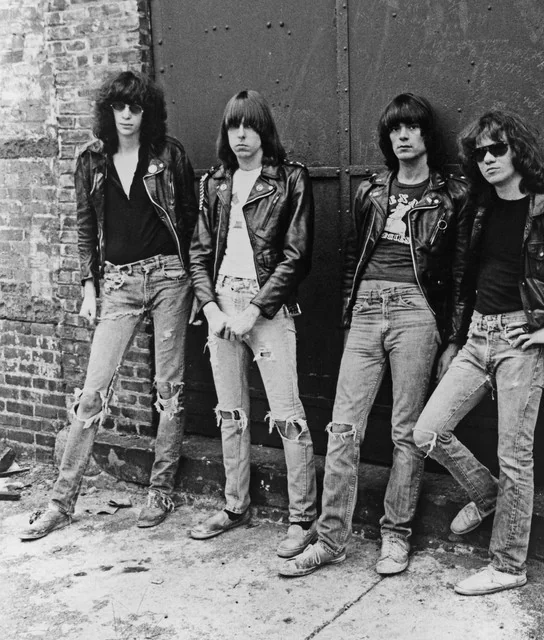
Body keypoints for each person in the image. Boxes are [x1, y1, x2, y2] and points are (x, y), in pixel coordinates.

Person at [412, 110, 544, 595]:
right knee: (427, 431)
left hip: (521, 344)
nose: (487, 159)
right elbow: (467, 280)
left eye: (496, 149)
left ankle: (507, 566)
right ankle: (488, 498)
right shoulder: (479, 207)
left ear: (517, 151)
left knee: (515, 457)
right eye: (479, 152)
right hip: (478, 337)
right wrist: (459, 337)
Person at [280, 93, 468, 577]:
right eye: (394, 129)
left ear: (426, 135)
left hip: (417, 313)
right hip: (366, 309)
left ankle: (396, 536)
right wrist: (350, 310)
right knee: (343, 428)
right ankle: (330, 539)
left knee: (406, 432)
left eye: (411, 128)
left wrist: (452, 337)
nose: (402, 136)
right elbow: (351, 256)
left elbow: (462, 270)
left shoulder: (451, 195)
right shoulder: (371, 191)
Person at [19, 70, 198, 540]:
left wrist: (198, 286)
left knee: (169, 390)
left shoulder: (169, 155)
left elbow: (191, 223)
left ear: (146, 112)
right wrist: (89, 287)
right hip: (117, 284)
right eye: (119, 107)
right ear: (108, 111)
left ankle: (160, 491)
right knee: (92, 392)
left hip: (168, 279)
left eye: (134, 108)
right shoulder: (90, 160)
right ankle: (61, 500)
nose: (126, 115)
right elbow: (84, 229)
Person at [188, 90, 317, 557]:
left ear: (263, 130)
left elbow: (296, 257)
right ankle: (235, 505)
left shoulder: (289, 180)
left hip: (266, 308)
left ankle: (302, 518)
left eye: (248, 126)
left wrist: (253, 311)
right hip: (221, 305)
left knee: (287, 414)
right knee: (230, 413)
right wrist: (212, 308)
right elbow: (199, 255)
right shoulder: (214, 182)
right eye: (232, 127)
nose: (240, 135)